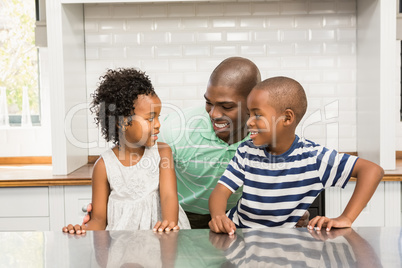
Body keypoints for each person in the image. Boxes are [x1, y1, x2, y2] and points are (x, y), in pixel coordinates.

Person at [83, 57, 309, 229]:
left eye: (226, 106)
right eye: (208, 103)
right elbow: (135, 161)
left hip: (241, 219)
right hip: (187, 218)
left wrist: (289, 209)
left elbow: (282, 179)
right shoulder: (175, 131)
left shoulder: (269, 136)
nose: (213, 113)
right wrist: (105, 211)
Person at [208, 76, 384, 235]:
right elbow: (220, 193)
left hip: (285, 242)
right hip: (240, 236)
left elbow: (372, 171)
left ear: (287, 118)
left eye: (257, 114)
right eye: (249, 114)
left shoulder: (314, 158)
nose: (249, 121)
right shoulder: (247, 151)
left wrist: (346, 218)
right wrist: (218, 216)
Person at [62, 68, 190, 234]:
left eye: (158, 117)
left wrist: (169, 224)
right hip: (122, 248)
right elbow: (98, 221)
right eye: (150, 118)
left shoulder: (163, 153)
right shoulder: (103, 166)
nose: (158, 124)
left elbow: (168, 197)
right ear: (122, 122)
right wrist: (81, 230)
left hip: (162, 241)